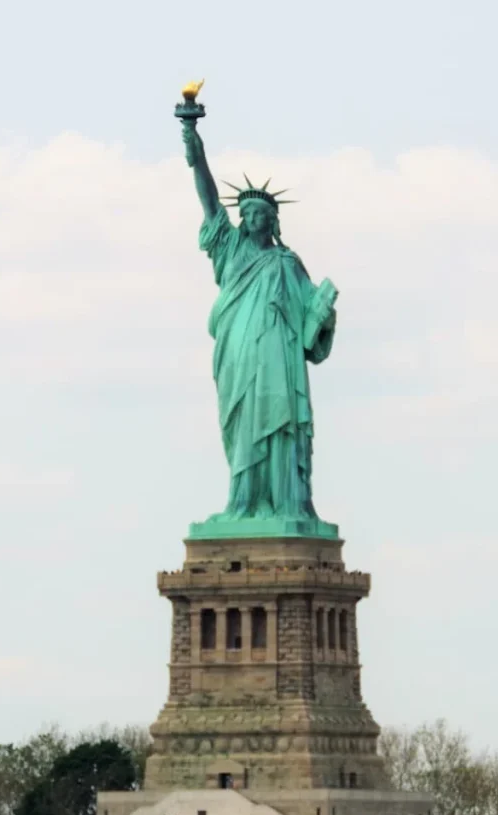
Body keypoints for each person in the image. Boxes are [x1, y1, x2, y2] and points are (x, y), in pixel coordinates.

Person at [181, 118, 338, 528]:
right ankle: (243, 502)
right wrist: (194, 146)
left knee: (279, 423)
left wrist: (323, 312)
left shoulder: (287, 263)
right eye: (246, 213)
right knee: (242, 423)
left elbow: (310, 328)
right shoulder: (229, 248)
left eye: (258, 214)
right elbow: (209, 199)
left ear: (272, 220)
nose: (250, 219)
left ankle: (285, 503)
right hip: (237, 354)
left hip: (278, 363)